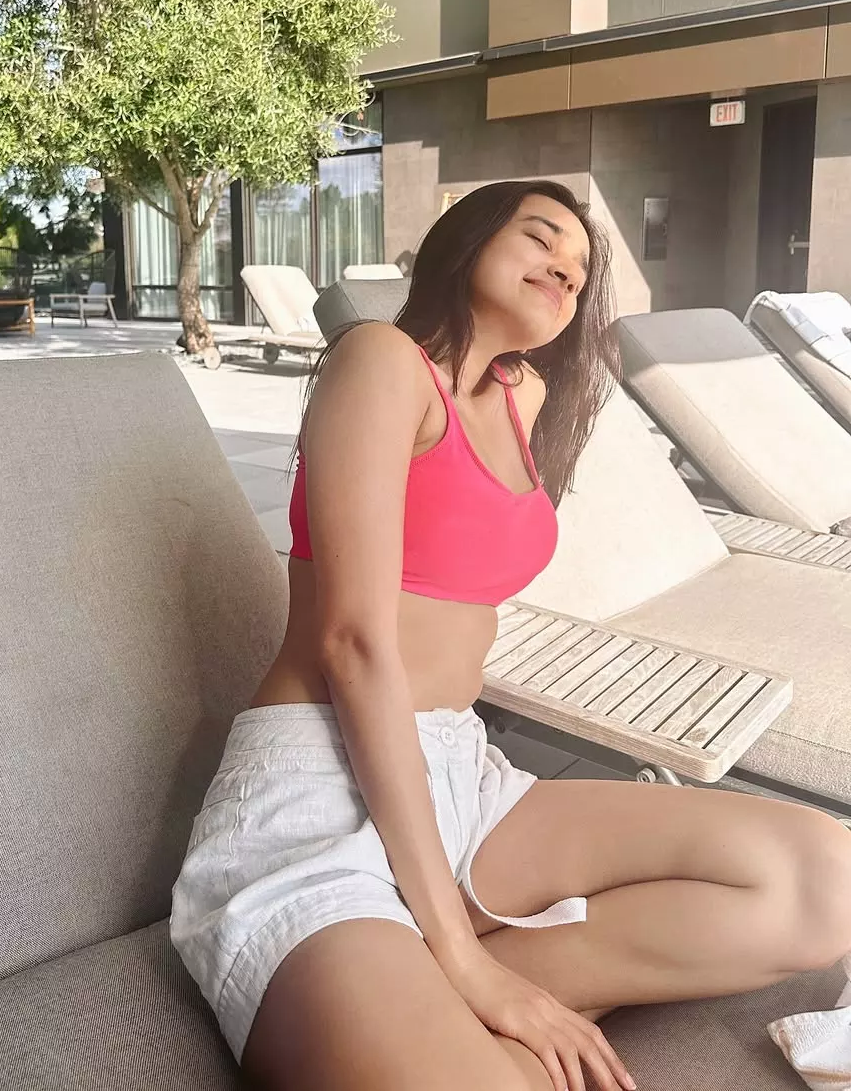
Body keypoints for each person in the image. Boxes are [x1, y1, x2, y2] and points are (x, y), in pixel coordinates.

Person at [171, 180, 851, 1091]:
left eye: (580, 269)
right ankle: (442, 988)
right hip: (319, 787)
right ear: (468, 240)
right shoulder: (381, 359)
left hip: (462, 779)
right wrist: (461, 952)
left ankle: (466, 999)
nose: (565, 269)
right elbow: (354, 648)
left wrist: (478, 969)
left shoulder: (522, 395)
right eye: (541, 238)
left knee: (822, 880)